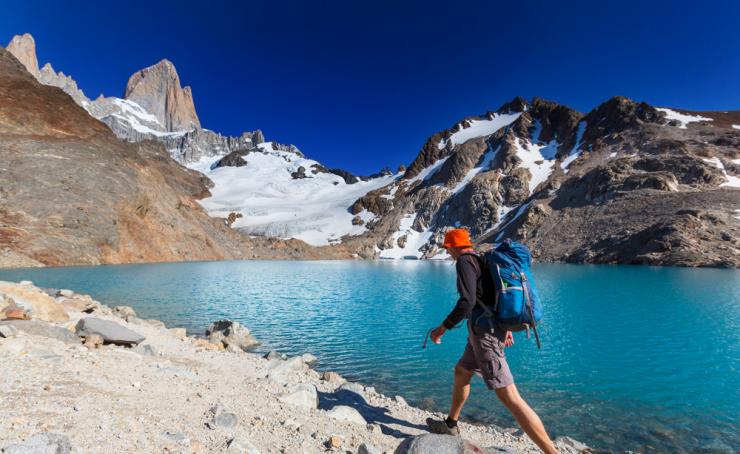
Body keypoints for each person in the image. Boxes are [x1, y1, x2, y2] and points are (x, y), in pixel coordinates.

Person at [425, 228, 557, 454]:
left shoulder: (465, 261)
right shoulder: (482, 260)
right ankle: (451, 425)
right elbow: (492, 297)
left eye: (448, 249)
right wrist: (504, 327)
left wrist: (441, 329)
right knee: (462, 371)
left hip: (484, 334)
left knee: (510, 396)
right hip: (483, 331)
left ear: (454, 247)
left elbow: (467, 302)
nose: (449, 254)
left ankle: (552, 452)